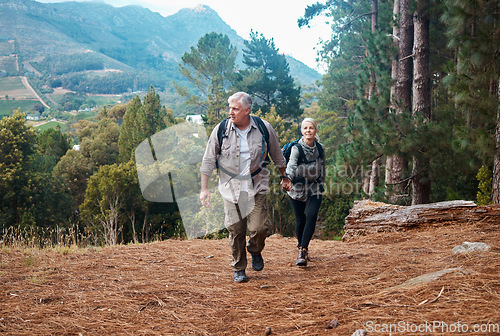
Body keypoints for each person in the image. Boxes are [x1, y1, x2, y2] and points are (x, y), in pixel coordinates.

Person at [200, 92, 292, 283]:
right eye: (230, 108)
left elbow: (276, 154)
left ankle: (255, 249)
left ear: (247, 110)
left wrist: (284, 176)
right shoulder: (222, 129)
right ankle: (239, 268)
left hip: (256, 184)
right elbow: (208, 159)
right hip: (230, 186)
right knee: (236, 229)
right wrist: (204, 188)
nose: (230, 112)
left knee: (258, 227)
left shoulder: (263, 128)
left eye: (235, 109)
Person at [286, 118, 325, 266]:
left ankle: (303, 250)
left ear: (315, 130)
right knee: (300, 219)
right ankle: (300, 246)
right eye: (305, 128)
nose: (308, 130)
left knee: (311, 215)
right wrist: (287, 179)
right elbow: (291, 165)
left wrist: (321, 184)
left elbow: (323, 168)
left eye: (311, 128)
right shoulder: (297, 148)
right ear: (302, 131)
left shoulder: (320, 148)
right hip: (296, 189)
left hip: (314, 188)